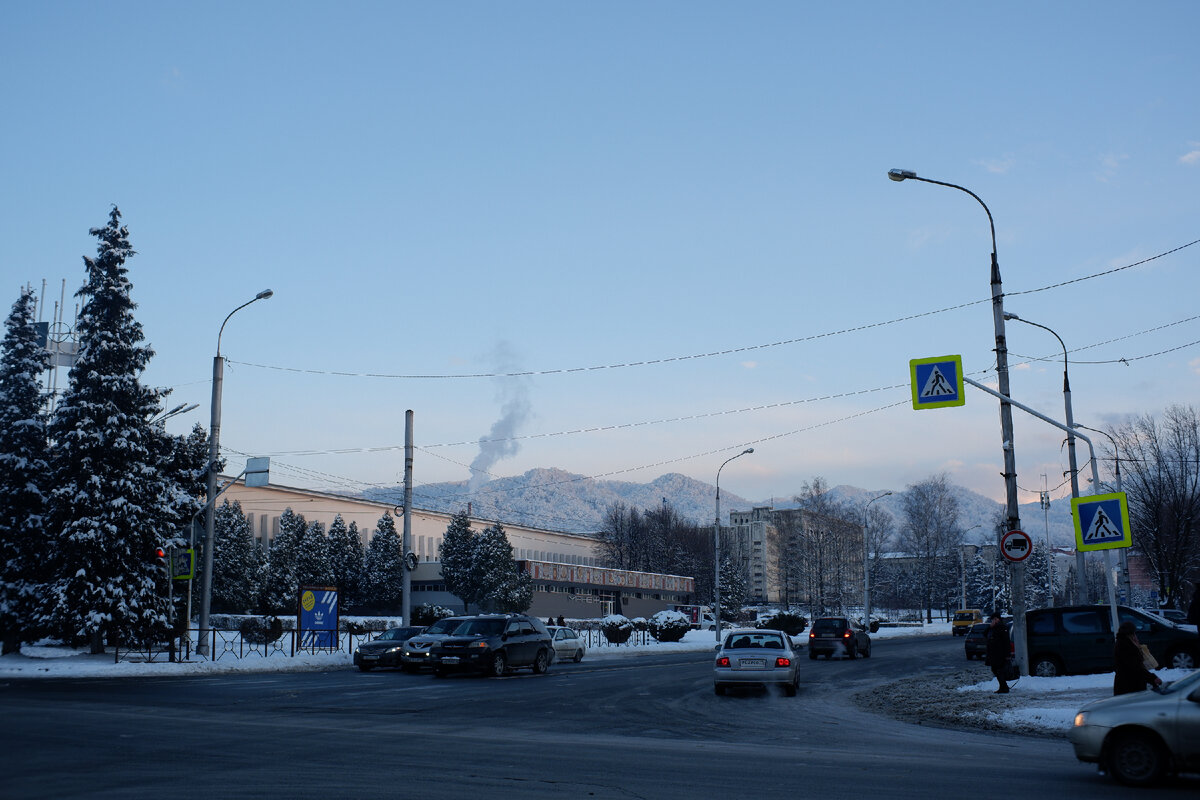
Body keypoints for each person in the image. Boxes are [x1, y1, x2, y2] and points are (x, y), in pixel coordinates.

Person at [1113, 621, 1163, 695]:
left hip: (1127, 684)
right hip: (1130, 686)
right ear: (1130, 633)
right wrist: (1152, 678)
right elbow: (1136, 667)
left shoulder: (1123, 643)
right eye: (1134, 633)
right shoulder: (1126, 646)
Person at [984, 611, 1011, 694]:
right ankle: (1003, 686)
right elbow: (985, 634)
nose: (993, 621)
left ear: (997, 619)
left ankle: (1004, 687)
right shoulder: (993, 628)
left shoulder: (1002, 628)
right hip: (994, 653)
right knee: (995, 670)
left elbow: (1006, 642)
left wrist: (1007, 655)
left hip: (1000, 654)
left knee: (999, 670)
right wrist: (989, 627)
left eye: (994, 619)